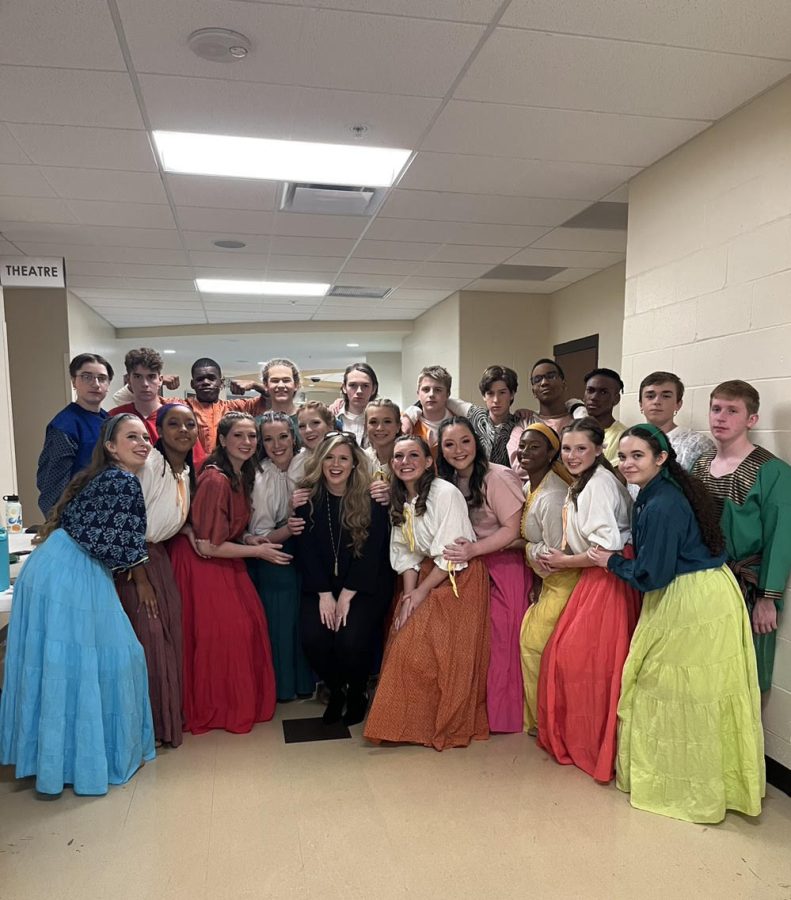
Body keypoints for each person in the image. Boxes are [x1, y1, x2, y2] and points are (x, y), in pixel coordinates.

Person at [589, 425, 765, 824]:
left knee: (676, 691)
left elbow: (653, 575)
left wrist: (610, 561)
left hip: (693, 601)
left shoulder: (663, 504)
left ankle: (687, 787)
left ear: (661, 458)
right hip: (704, 593)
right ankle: (709, 782)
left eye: (638, 456)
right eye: (623, 456)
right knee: (698, 692)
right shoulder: (659, 492)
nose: (628, 463)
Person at [0, 414, 155, 796]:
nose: (142, 442)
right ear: (111, 446)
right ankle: (86, 761)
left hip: (56, 566)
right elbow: (121, 545)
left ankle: (62, 762)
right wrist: (144, 580)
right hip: (72, 572)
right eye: (131, 437)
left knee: (64, 666)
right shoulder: (121, 480)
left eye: (145, 437)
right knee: (108, 661)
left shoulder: (104, 477)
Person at [364, 435, 490, 750]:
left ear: (429, 461)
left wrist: (420, 594)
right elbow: (404, 553)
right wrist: (407, 599)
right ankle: (403, 724)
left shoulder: (444, 493)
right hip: (423, 576)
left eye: (412, 455)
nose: (405, 462)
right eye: (398, 457)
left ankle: (435, 723)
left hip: (457, 578)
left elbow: (450, 553)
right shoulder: (398, 497)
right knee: (403, 633)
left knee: (440, 654)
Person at [536, 418, 640, 783]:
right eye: (567, 449)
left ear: (598, 450)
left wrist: (564, 561)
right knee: (574, 659)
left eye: (582, 448)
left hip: (606, 577)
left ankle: (593, 743)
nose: (573, 455)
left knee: (582, 663)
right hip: (595, 574)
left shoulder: (597, 485)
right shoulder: (585, 482)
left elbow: (606, 548)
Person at [167, 412, 284, 734]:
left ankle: (232, 703)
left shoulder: (241, 474)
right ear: (222, 440)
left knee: (246, 628)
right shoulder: (216, 479)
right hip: (201, 565)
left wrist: (248, 538)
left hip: (224, 558)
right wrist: (257, 551)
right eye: (238, 436)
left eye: (251, 437)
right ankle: (217, 708)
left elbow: (228, 530)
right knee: (226, 636)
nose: (247, 443)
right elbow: (206, 544)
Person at [692, 380, 791, 692]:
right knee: (702, 665)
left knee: (742, 676)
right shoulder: (700, 465)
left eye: (732, 411)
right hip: (703, 580)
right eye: (716, 408)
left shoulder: (773, 471)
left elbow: (781, 537)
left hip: (746, 585)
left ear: (752, 420)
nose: (720, 417)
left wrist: (767, 598)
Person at [114, 403, 197, 749]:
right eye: (173, 424)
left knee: (168, 640)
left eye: (189, 424)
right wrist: (141, 577)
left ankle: (166, 723)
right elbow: (128, 522)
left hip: (160, 557)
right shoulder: (148, 465)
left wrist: (188, 529)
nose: (182, 430)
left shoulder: (185, 472)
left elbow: (167, 514)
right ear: (159, 432)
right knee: (148, 639)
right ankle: (143, 729)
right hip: (136, 563)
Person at [294, 433, 392, 725]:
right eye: (330, 457)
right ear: (320, 461)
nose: (336, 464)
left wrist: (348, 593)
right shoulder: (307, 498)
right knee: (313, 638)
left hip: (365, 583)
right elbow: (305, 550)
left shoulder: (371, 497)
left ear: (354, 464)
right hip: (321, 584)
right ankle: (337, 689)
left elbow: (373, 550)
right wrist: (325, 594)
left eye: (343, 458)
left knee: (350, 638)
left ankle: (358, 692)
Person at [437, 417, 528, 733]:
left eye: (465, 441)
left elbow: (512, 530)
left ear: (476, 441)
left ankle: (506, 716)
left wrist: (474, 550)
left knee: (503, 643)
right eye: (449, 444)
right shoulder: (450, 480)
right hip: (474, 567)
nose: (458, 450)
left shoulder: (497, 476)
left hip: (505, 567)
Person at [245, 412, 313, 702]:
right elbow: (260, 534)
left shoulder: (309, 462)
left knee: (307, 620)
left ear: (293, 436)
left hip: (311, 551)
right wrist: (287, 530)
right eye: (268, 439)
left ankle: (307, 683)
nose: (277, 445)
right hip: (275, 551)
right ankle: (283, 687)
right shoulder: (260, 475)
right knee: (281, 621)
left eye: (283, 436)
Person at [517, 423, 577, 734]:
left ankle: (548, 722)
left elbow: (556, 555)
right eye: (523, 445)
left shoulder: (552, 496)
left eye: (535, 447)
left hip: (564, 584)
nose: (525, 452)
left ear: (552, 453)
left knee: (535, 643)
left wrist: (523, 546)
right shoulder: (530, 488)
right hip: (546, 583)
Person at [113, 357, 269, 454]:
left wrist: (256, 386)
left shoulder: (235, 407)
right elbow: (121, 398)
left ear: (221, 383)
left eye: (211, 378)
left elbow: (272, 401)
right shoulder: (180, 407)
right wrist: (157, 381)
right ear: (193, 384)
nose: (206, 382)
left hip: (228, 473)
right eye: (200, 379)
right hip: (190, 475)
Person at [37, 353, 114, 517]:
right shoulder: (65, 425)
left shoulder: (109, 422)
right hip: (78, 519)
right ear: (74, 381)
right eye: (87, 377)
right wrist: (59, 524)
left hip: (108, 513)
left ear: (108, 384)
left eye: (102, 378)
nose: (95, 384)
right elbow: (53, 486)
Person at [409, 365, 528, 466]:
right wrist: (411, 413)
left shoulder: (522, 422)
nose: (496, 400)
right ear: (484, 396)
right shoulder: (477, 417)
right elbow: (437, 400)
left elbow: (445, 399)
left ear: (512, 394)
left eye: (502, 393)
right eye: (490, 393)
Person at [506, 358, 583, 477]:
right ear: (533, 391)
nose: (544, 382)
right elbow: (519, 466)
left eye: (551, 376)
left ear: (564, 383)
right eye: (537, 379)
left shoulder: (579, 420)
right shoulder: (525, 423)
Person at [638, 371, 714, 470]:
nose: (657, 401)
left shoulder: (697, 444)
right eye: (650, 396)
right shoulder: (630, 440)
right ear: (641, 404)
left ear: (678, 404)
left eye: (666, 396)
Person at [108, 347, 166, 444]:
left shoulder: (174, 417)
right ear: (128, 380)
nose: (145, 384)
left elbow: (194, 458)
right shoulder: (113, 417)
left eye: (151, 376)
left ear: (160, 380)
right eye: (137, 376)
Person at [581, 368, 627, 467]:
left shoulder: (624, 437)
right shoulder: (573, 431)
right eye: (590, 390)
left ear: (616, 399)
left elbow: (616, 479)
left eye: (603, 392)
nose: (593, 397)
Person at [407, 365, 453, 460]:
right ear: (418, 394)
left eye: (438, 390)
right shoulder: (407, 424)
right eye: (426, 389)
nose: (431, 394)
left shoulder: (458, 423)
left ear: (447, 394)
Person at [328, 363, 379, 447]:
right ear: (344, 388)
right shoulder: (332, 417)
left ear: (373, 389)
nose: (359, 391)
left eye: (365, 386)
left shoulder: (382, 420)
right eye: (353, 385)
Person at [261, 358, 301, 430]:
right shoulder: (257, 424)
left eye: (286, 380)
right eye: (275, 381)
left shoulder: (309, 421)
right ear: (266, 385)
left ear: (296, 384)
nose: (281, 385)